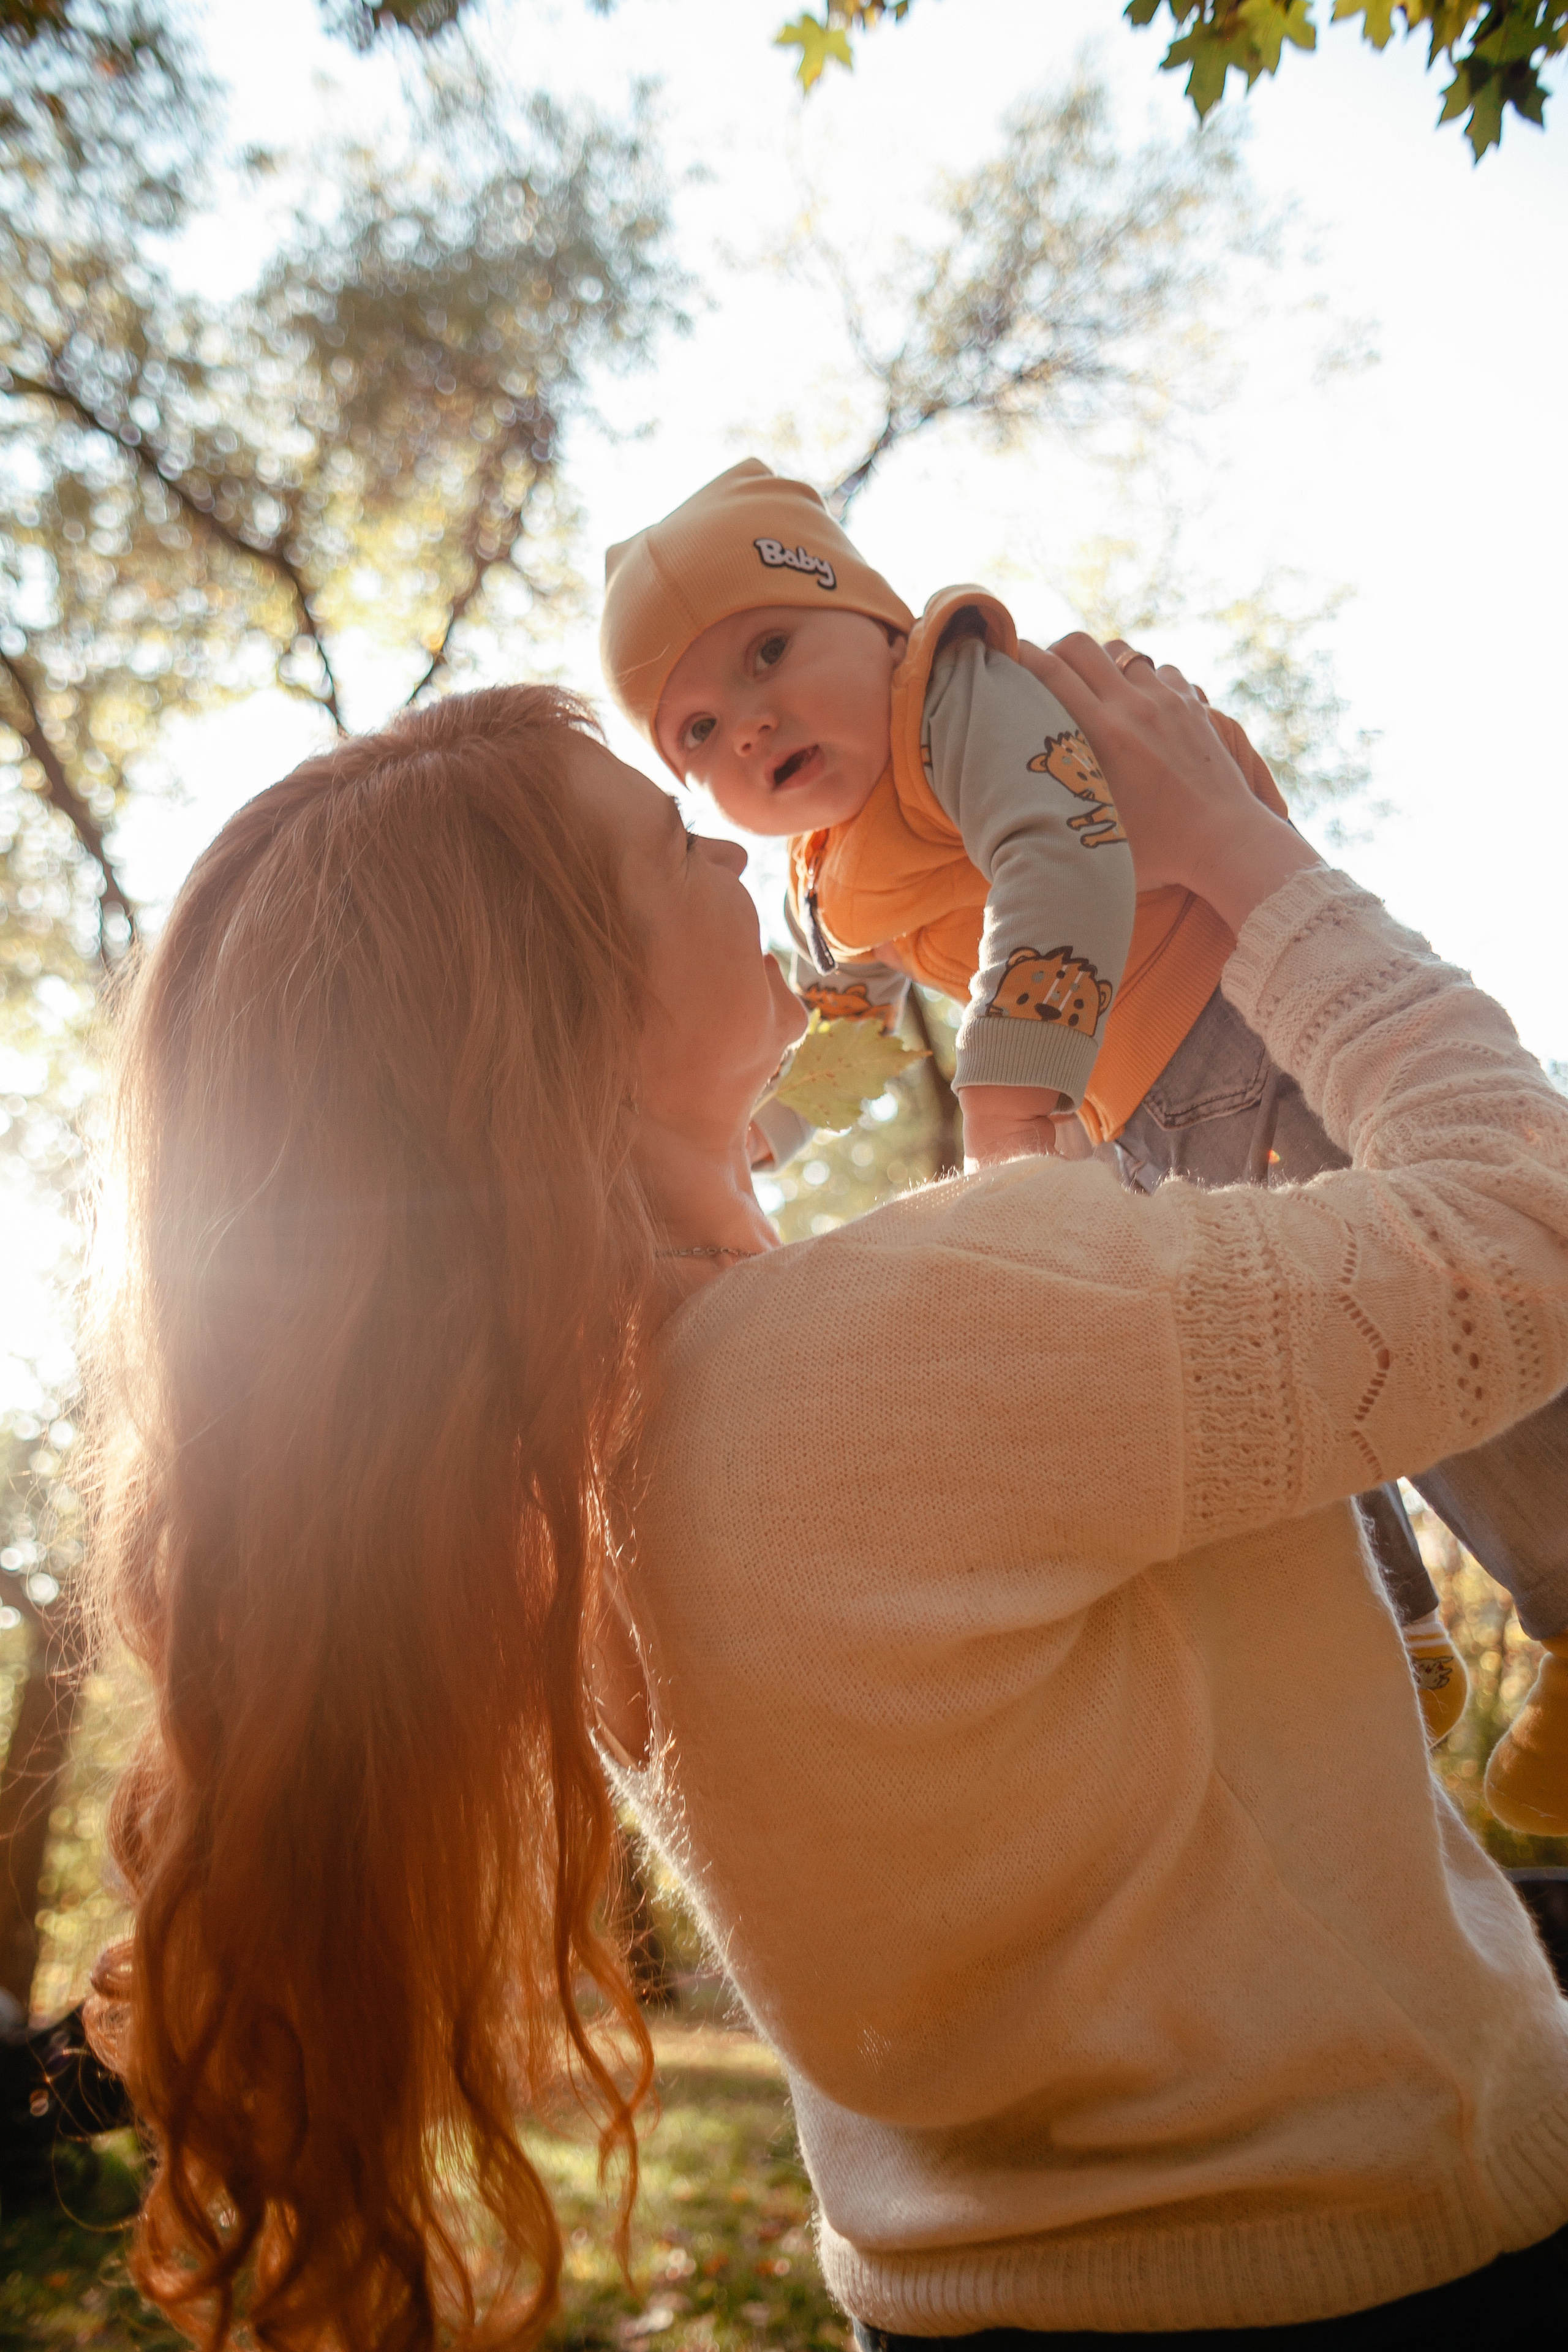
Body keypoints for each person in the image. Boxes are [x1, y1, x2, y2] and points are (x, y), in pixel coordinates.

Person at [88, 648, 1568, 2347]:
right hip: (1384, 2264)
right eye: (670, 846)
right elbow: (1527, 1234)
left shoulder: (572, 1469)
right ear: (581, 1017)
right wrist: (1245, 861)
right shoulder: (907, 1341)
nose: (732, 850)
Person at [598, 459, 1568, 1822]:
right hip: (1133, 1115)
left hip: (1242, 1025)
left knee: (1414, 1288)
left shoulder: (953, 696)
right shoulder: (825, 881)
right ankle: (1383, 1638)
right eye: (694, 732)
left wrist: (1008, 1086)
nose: (746, 728)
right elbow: (855, 1033)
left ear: (872, 622)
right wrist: (765, 1121)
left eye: (769, 652)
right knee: (1259, 1350)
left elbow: (1065, 849)